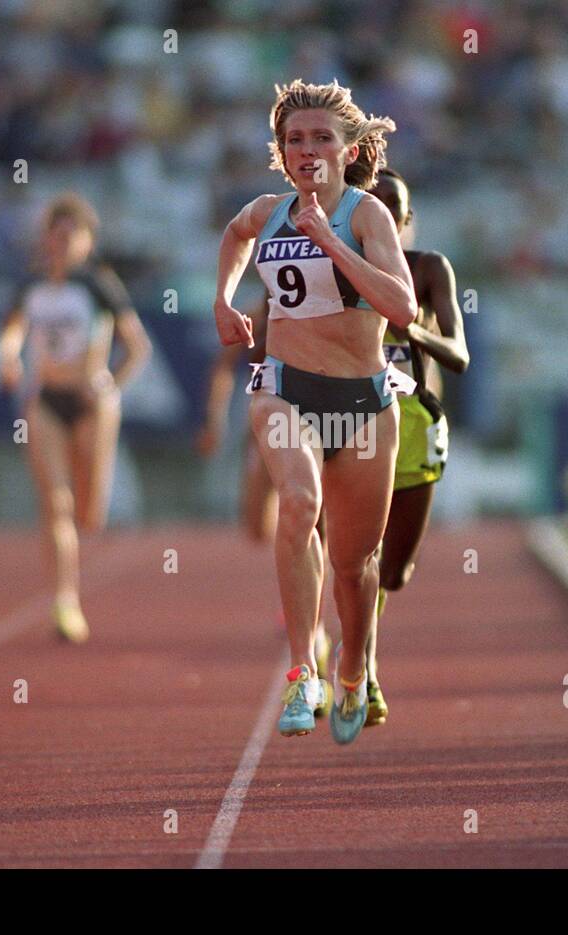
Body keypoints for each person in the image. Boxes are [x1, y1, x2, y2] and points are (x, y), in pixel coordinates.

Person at [213, 79, 417, 744]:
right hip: (284, 387)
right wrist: (223, 298)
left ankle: (355, 668)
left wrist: (329, 242)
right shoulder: (268, 210)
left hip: (362, 401)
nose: (307, 149)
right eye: (294, 139)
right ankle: (304, 670)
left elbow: (402, 308)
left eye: (321, 138)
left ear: (349, 148)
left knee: (356, 567)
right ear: (280, 150)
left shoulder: (366, 216)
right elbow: (235, 234)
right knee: (298, 505)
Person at [0, 193, 151, 643]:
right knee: (55, 504)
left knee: (89, 513)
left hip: (92, 403)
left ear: (87, 241)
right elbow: (11, 332)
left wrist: (110, 386)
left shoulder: (98, 285)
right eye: (56, 234)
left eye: (72, 235)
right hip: (46, 398)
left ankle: (70, 587)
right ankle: (65, 602)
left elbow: (137, 346)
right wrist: (8, 359)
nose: (62, 243)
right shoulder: (31, 285)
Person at [362, 168, 470, 725]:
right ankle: (362, 664)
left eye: (393, 208)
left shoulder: (428, 268)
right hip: (352, 420)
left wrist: (410, 329)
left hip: (416, 421)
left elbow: (459, 353)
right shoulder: (336, 265)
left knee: (395, 572)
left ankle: (356, 642)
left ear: (405, 221)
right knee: (359, 551)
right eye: (370, 205)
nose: (382, 215)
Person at [197, 290, 332, 716]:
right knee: (256, 526)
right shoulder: (258, 315)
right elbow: (223, 367)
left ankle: (316, 624)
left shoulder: (324, 308)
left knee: (312, 515)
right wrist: (216, 420)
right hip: (268, 419)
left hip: (316, 420)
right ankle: (297, 569)